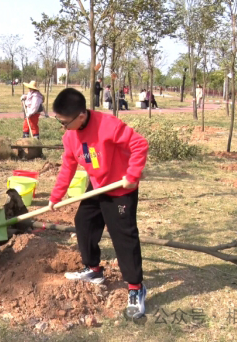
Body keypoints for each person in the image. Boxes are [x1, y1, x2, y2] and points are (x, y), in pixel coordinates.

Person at [48, 88, 148, 319]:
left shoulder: (108, 125)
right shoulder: (70, 136)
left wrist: (132, 175)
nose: (62, 127)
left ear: (81, 116)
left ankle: (136, 288)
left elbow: (140, 145)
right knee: (84, 222)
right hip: (99, 184)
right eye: (59, 121)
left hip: (120, 187)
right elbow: (68, 167)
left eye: (64, 122)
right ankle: (93, 270)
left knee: (123, 237)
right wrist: (56, 196)